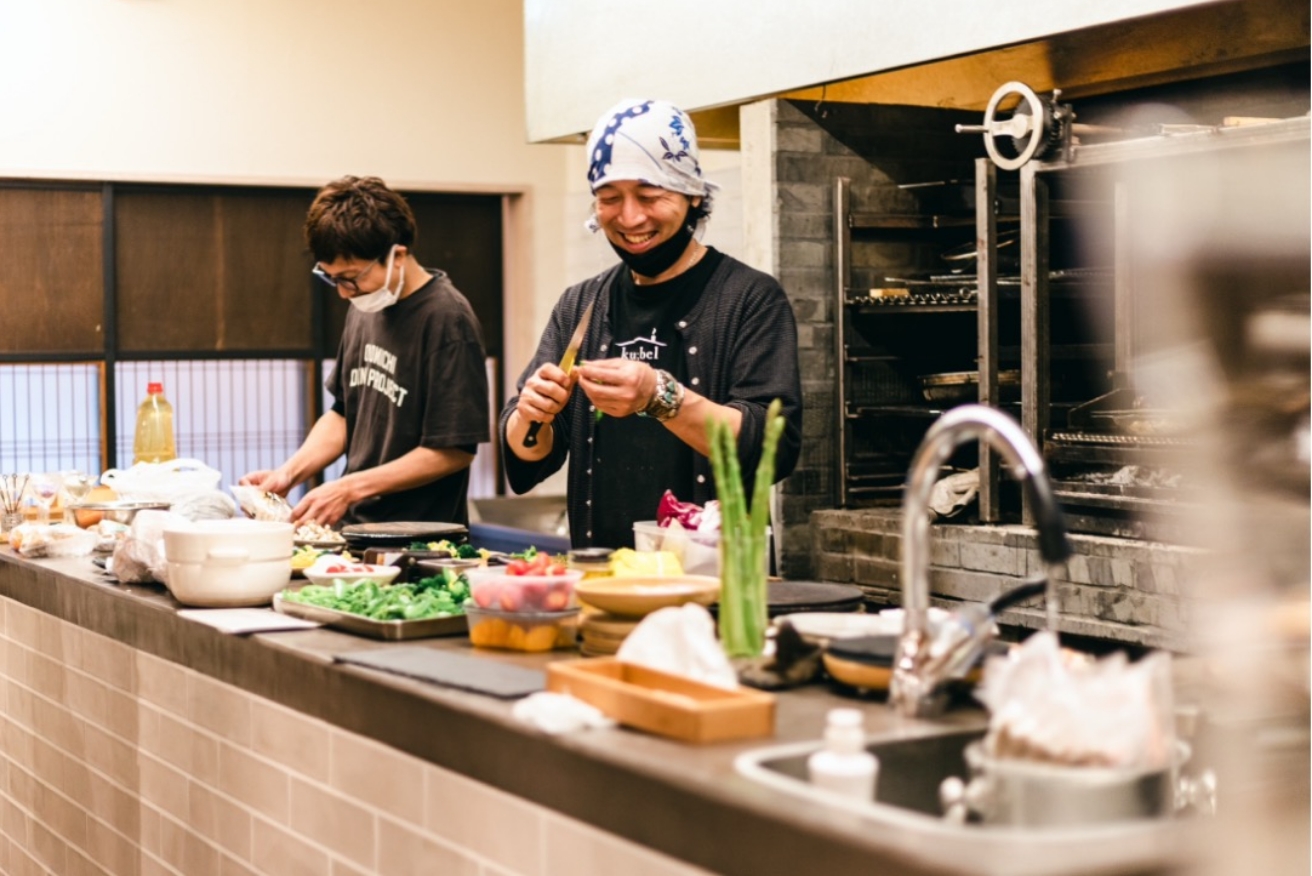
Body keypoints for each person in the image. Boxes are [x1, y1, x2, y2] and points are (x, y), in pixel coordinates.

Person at [500, 99, 803, 549]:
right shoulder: (580, 304)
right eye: (609, 199)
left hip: (712, 586)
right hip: (602, 576)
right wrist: (531, 414)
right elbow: (528, 458)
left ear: (693, 193)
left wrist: (661, 397)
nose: (629, 218)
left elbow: (772, 448)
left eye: (648, 195)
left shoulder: (749, 298)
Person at [242, 176, 490, 527]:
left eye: (351, 277)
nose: (344, 293)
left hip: (419, 541)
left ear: (397, 256)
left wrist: (347, 488)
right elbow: (344, 414)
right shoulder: (365, 305)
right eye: (333, 279)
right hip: (357, 530)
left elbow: (454, 451)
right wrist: (288, 474)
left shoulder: (447, 319)